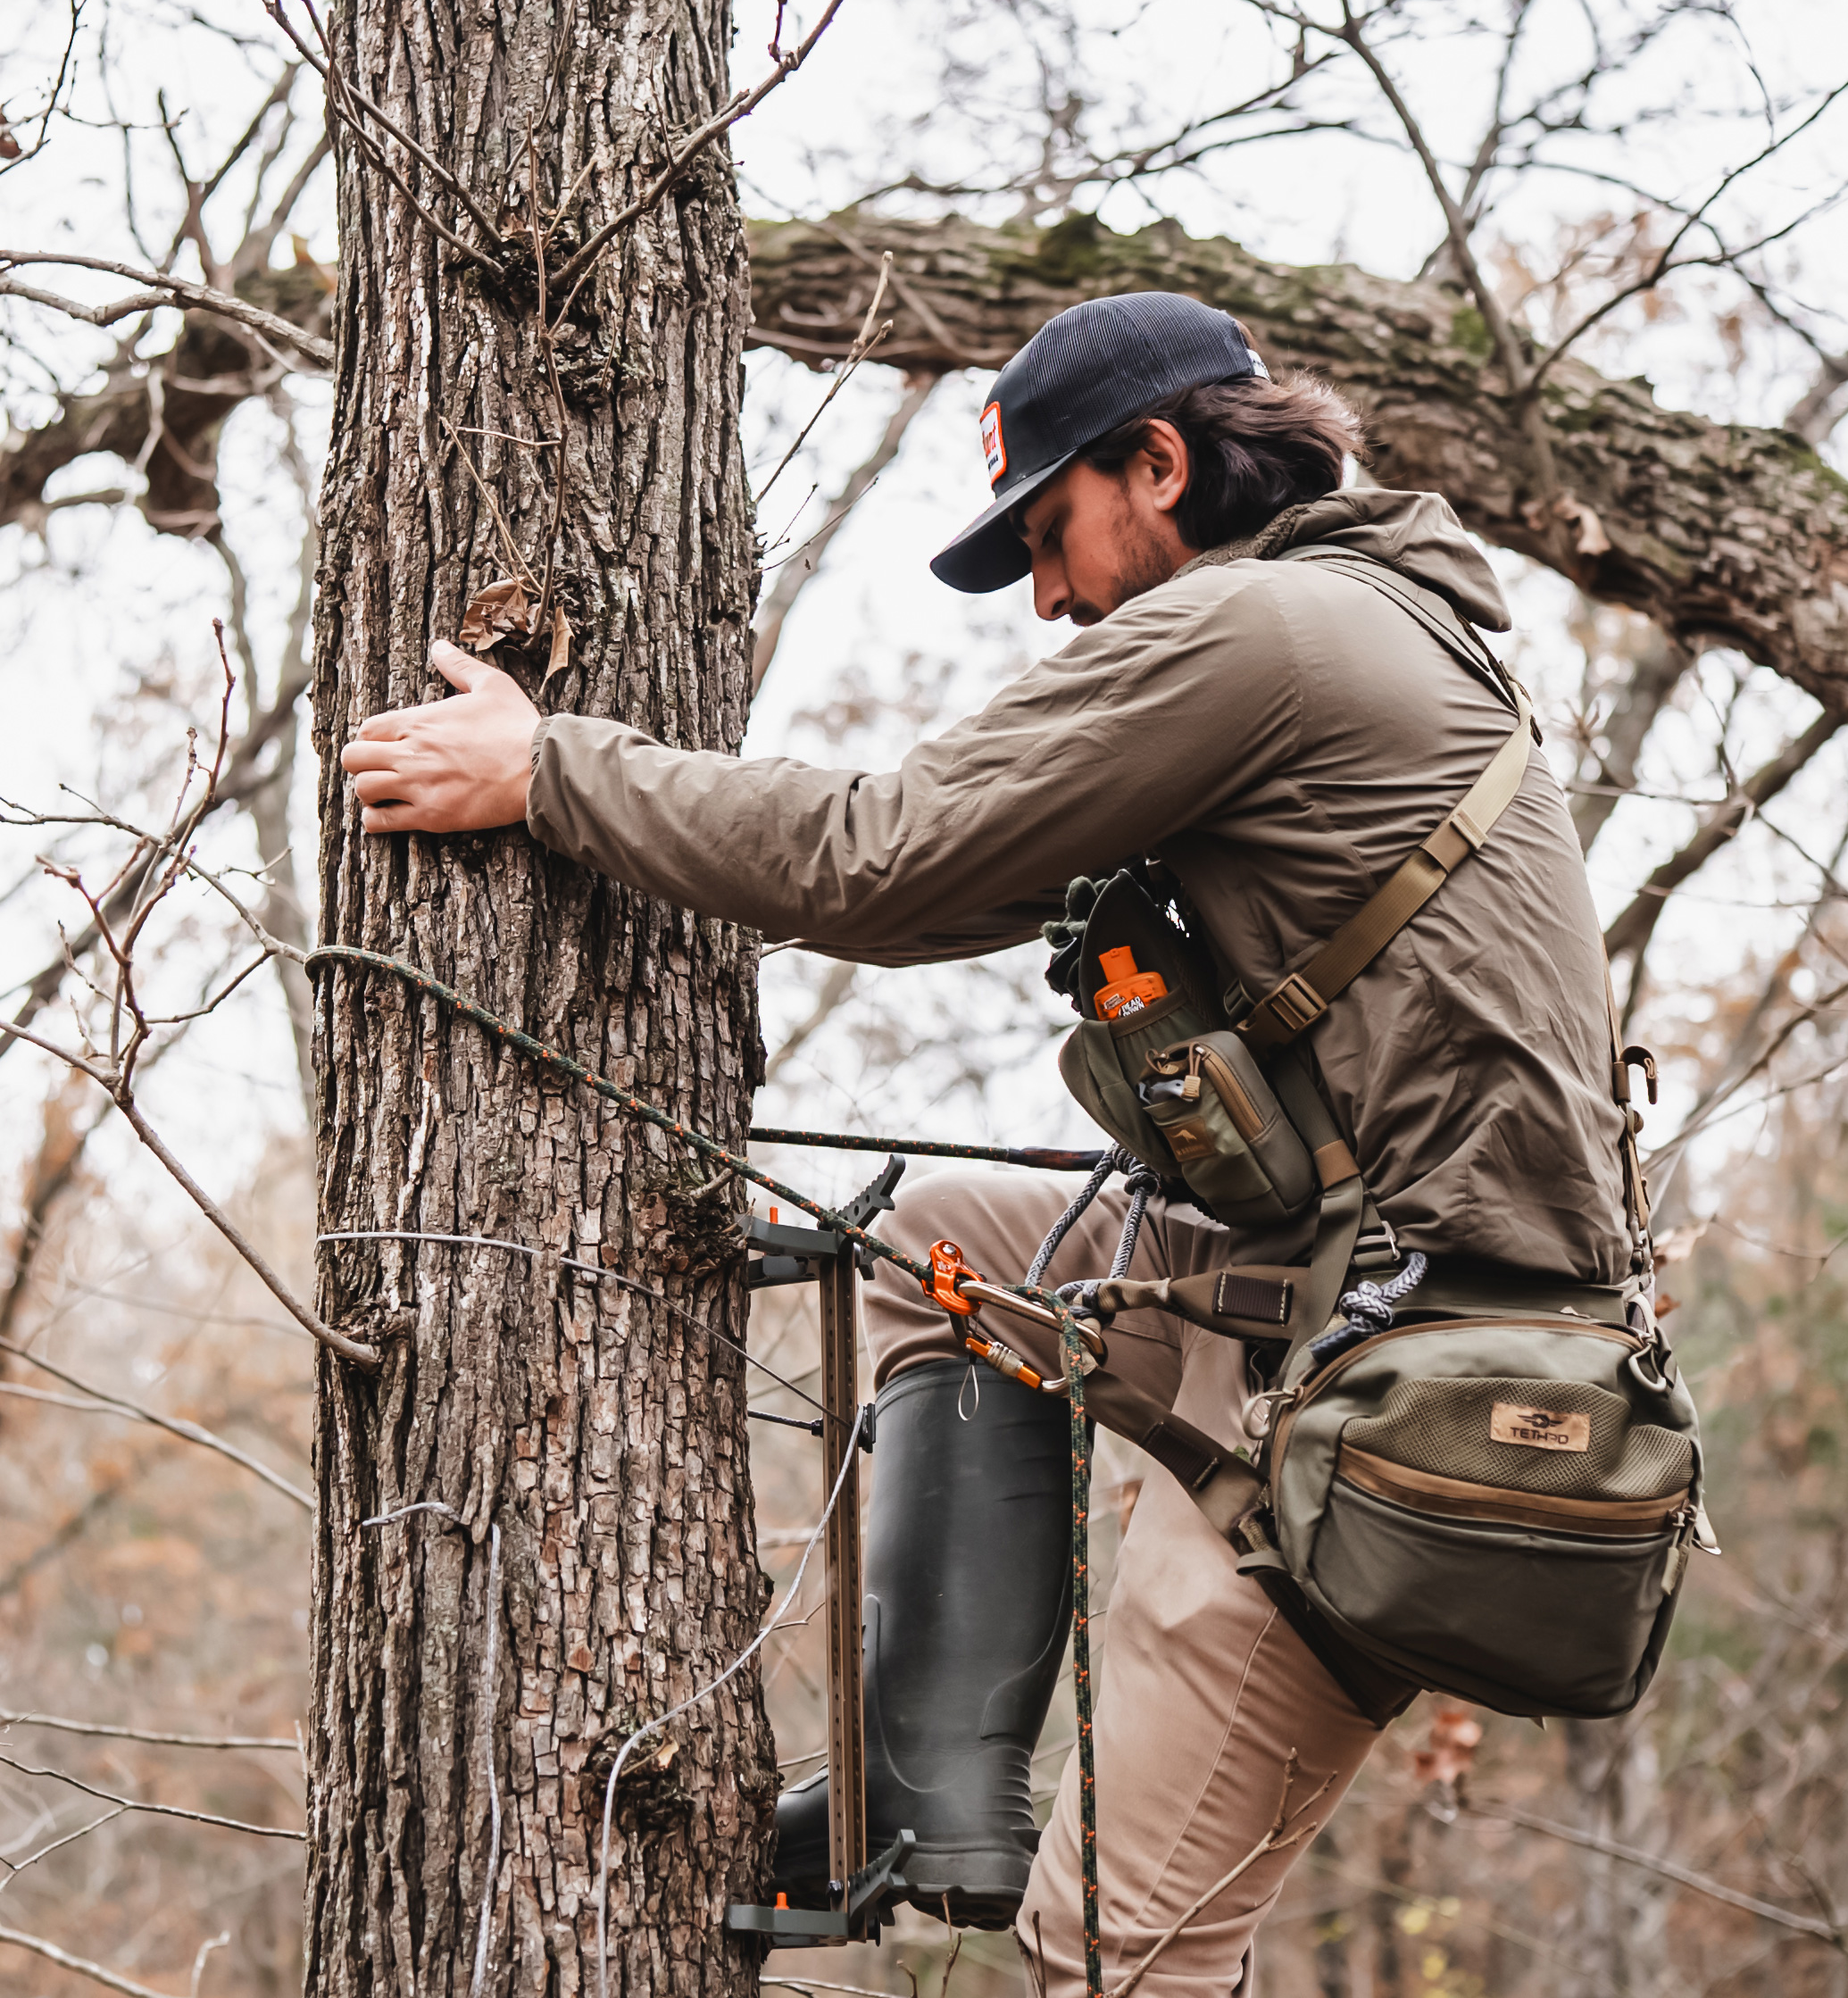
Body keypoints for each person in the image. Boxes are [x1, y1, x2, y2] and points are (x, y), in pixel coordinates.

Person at [341, 292, 1632, 1995]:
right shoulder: (1355, 633)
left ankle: (991, 1841)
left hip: (1393, 1387)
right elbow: (943, 877)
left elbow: (882, 860)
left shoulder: (1264, 637)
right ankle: (937, 1795)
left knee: (1121, 1959)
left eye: (1050, 533)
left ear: (1157, 465)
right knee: (942, 1244)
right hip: (1334, 1295)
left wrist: (554, 771)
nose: (1046, 596)